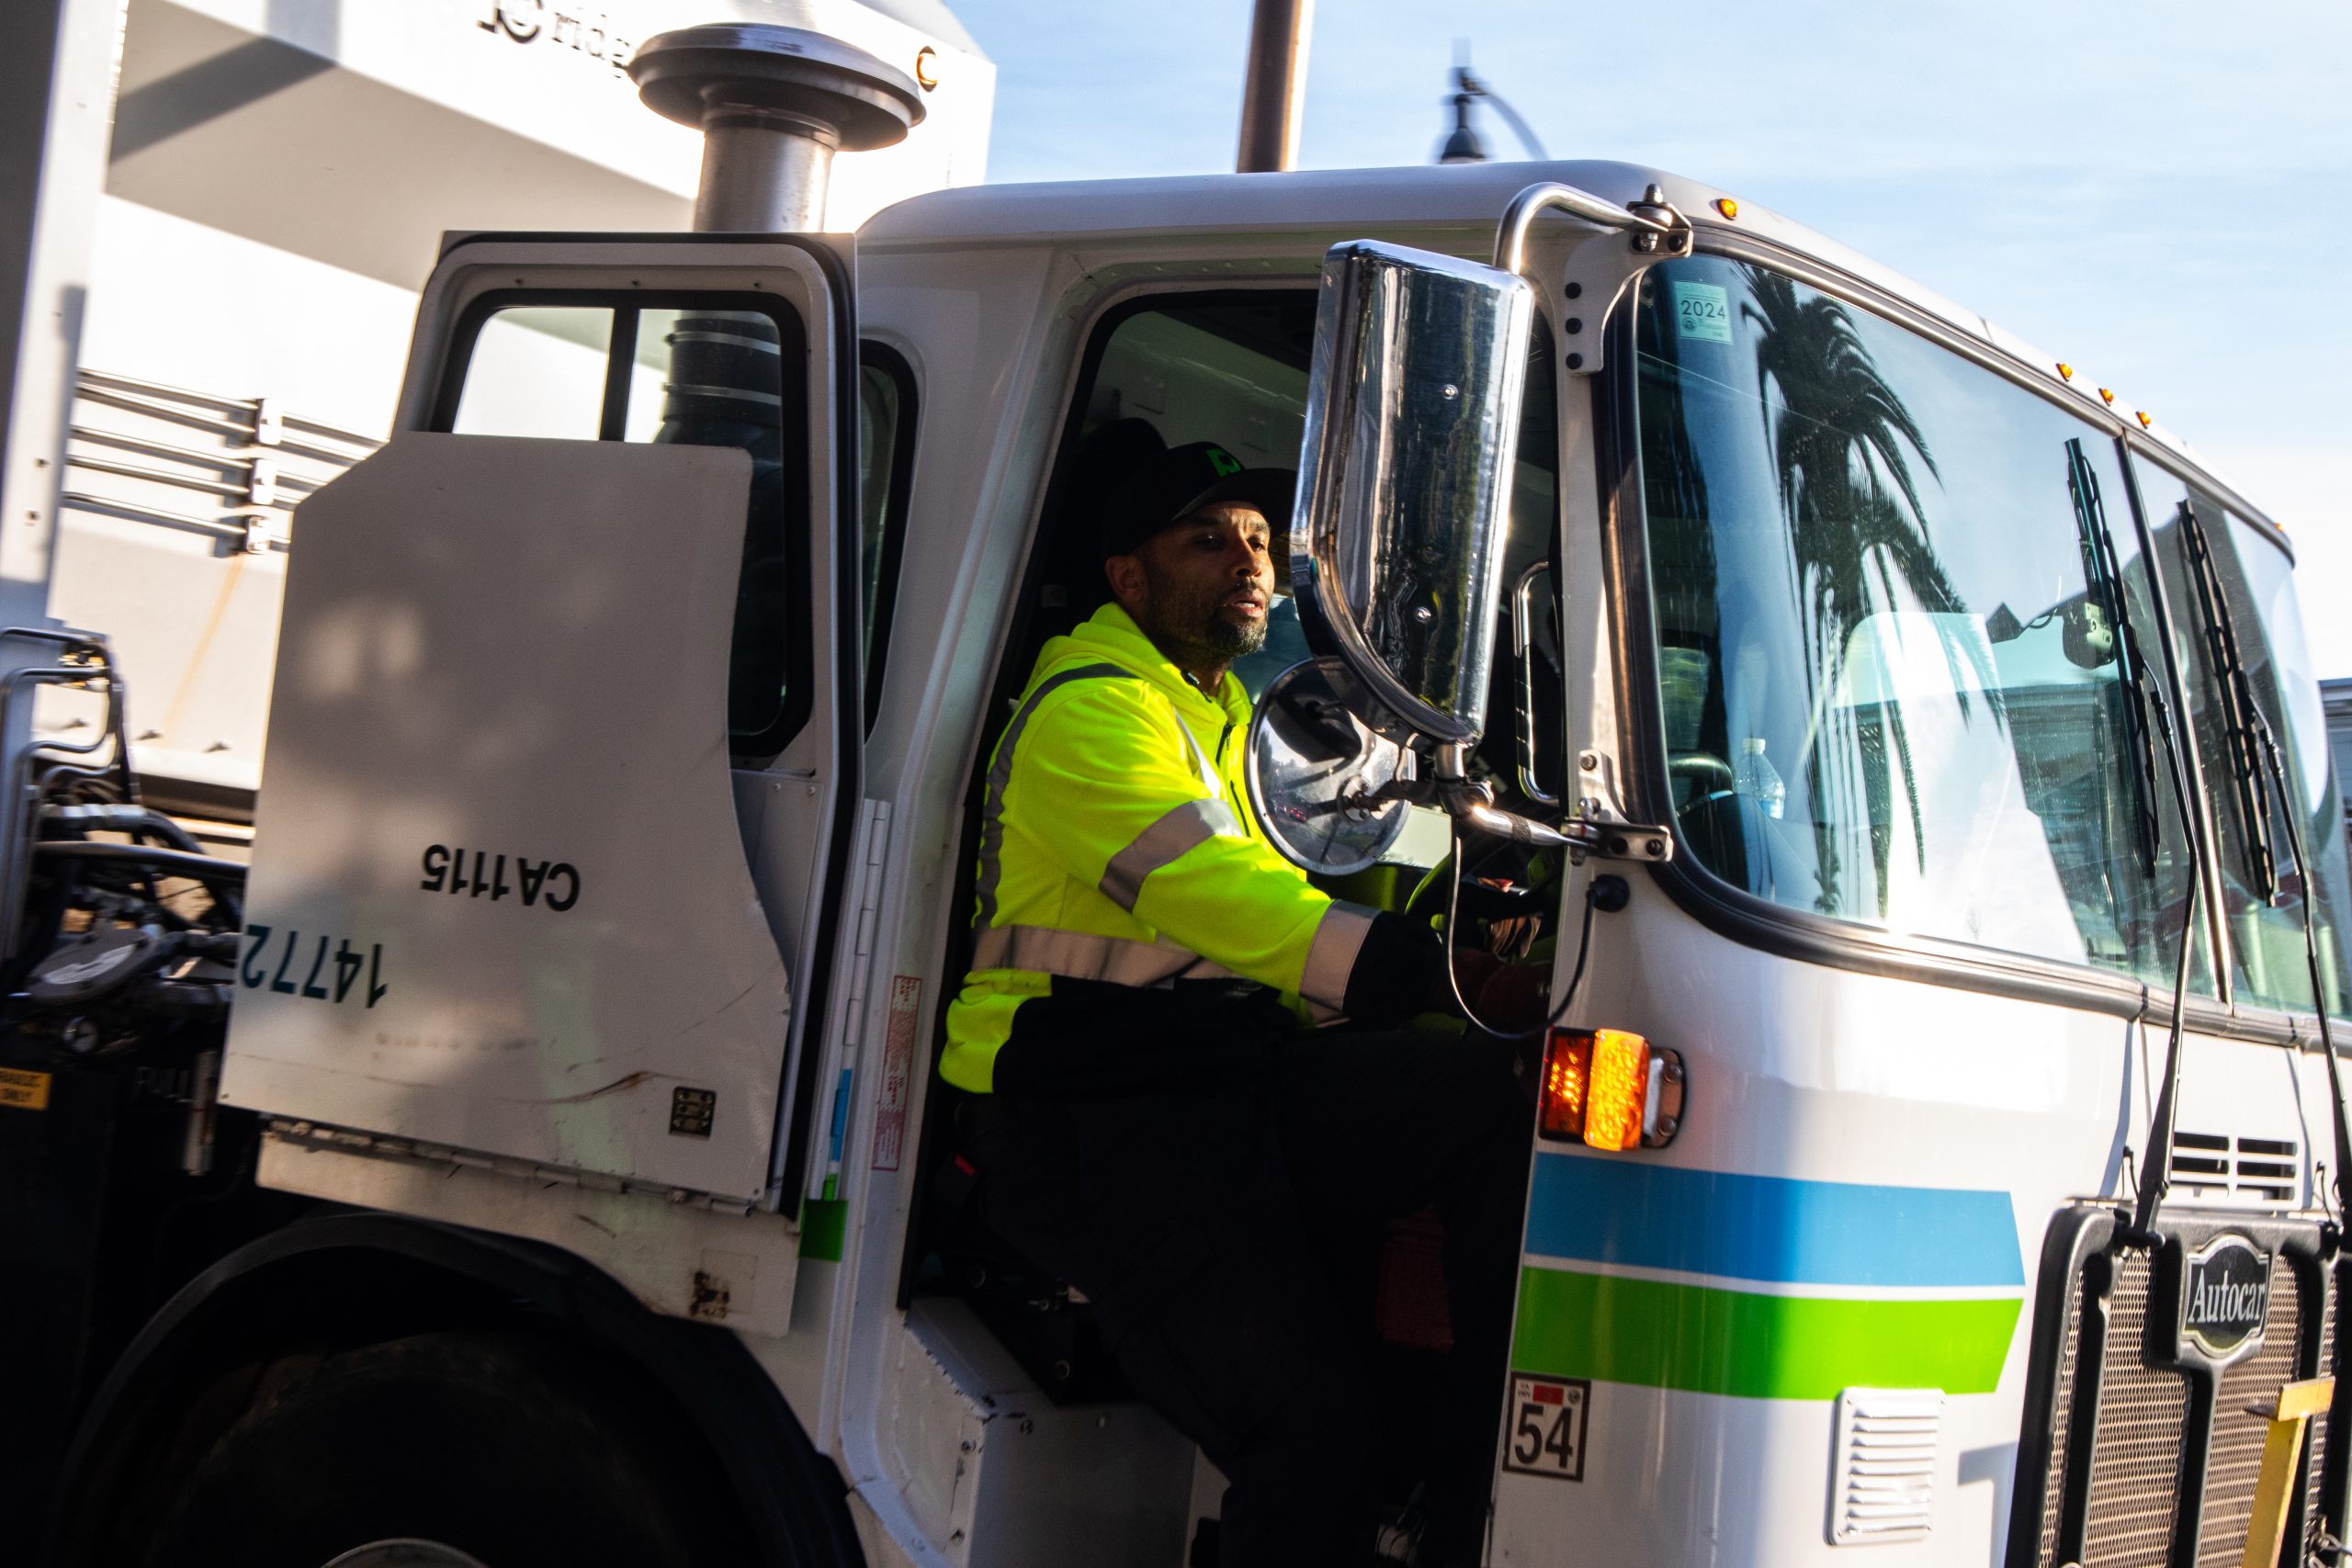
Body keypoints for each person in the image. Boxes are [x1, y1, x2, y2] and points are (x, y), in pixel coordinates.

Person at [940, 440, 1533, 1568]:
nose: (1248, 561)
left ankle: (1478, 1462)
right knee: (1312, 1430)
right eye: (1206, 540)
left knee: (1471, 1098)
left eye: (1258, 539)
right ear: (1129, 579)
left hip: (1213, 1082)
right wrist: (1441, 978)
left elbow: (1241, 954)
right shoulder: (1093, 708)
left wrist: (1448, 988)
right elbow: (1226, 900)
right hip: (1092, 1122)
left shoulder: (1210, 717)